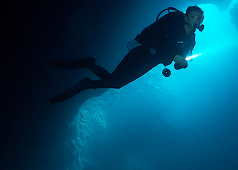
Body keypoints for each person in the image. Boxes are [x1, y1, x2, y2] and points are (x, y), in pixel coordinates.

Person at [49, 6, 204, 103]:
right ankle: (86, 82)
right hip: (142, 53)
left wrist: (181, 64)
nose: (197, 20)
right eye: (194, 16)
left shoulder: (191, 40)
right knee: (116, 82)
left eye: (200, 18)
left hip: (151, 62)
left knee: (115, 80)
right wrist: (171, 57)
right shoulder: (172, 23)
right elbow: (155, 37)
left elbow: (181, 57)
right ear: (186, 16)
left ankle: (89, 65)